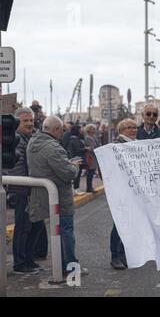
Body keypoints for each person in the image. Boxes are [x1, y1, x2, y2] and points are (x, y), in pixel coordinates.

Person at [27, 116, 88, 276]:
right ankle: (71, 267)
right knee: (66, 232)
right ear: (55, 130)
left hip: (42, 195)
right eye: (61, 130)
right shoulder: (53, 147)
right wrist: (74, 166)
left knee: (57, 232)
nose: (62, 133)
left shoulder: (33, 142)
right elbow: (67, 174)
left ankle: (62, 266)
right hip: (60, 197)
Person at [8, 108, 46, 274]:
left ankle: (29, 260)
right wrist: (28, 190)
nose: (30, 123)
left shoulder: (31, 138)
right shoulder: (16, 141)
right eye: (25, 121)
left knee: (36, 225)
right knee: (23, 227)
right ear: (17, 123)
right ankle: (20, 263)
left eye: (31, 120)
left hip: (33, 190)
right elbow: (18, 168)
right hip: (23, 191)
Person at [109, 118, 138, 270]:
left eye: (134, 127)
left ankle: (123, 253)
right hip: (121, 191)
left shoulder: (136, 145)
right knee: (120, 224)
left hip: (133, 190)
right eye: (129, 127)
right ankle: (115, 255)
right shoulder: (116, 146)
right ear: (121, 130)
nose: (133, 130)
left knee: (130, 224)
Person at [66, 124, 86, 195]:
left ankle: (77, 188)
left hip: (77, 158)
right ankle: (76, 189)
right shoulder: (74, 139)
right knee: (76, 175)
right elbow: (77, 149)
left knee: (78, 174)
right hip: (76, 159)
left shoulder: (76, 138)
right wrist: (85, 149)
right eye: (80, 129)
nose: (81, 130)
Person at [83, 124, 100, 193]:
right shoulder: (88, 137)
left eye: (94, 129)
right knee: (90, 173)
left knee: (92, 172)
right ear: (88, 130)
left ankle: (90, 187)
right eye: (92, 129)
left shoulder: (93, 137)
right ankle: (89, 188)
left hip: (93, 157)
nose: (94, 130)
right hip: (90, 157)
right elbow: (92, 148)